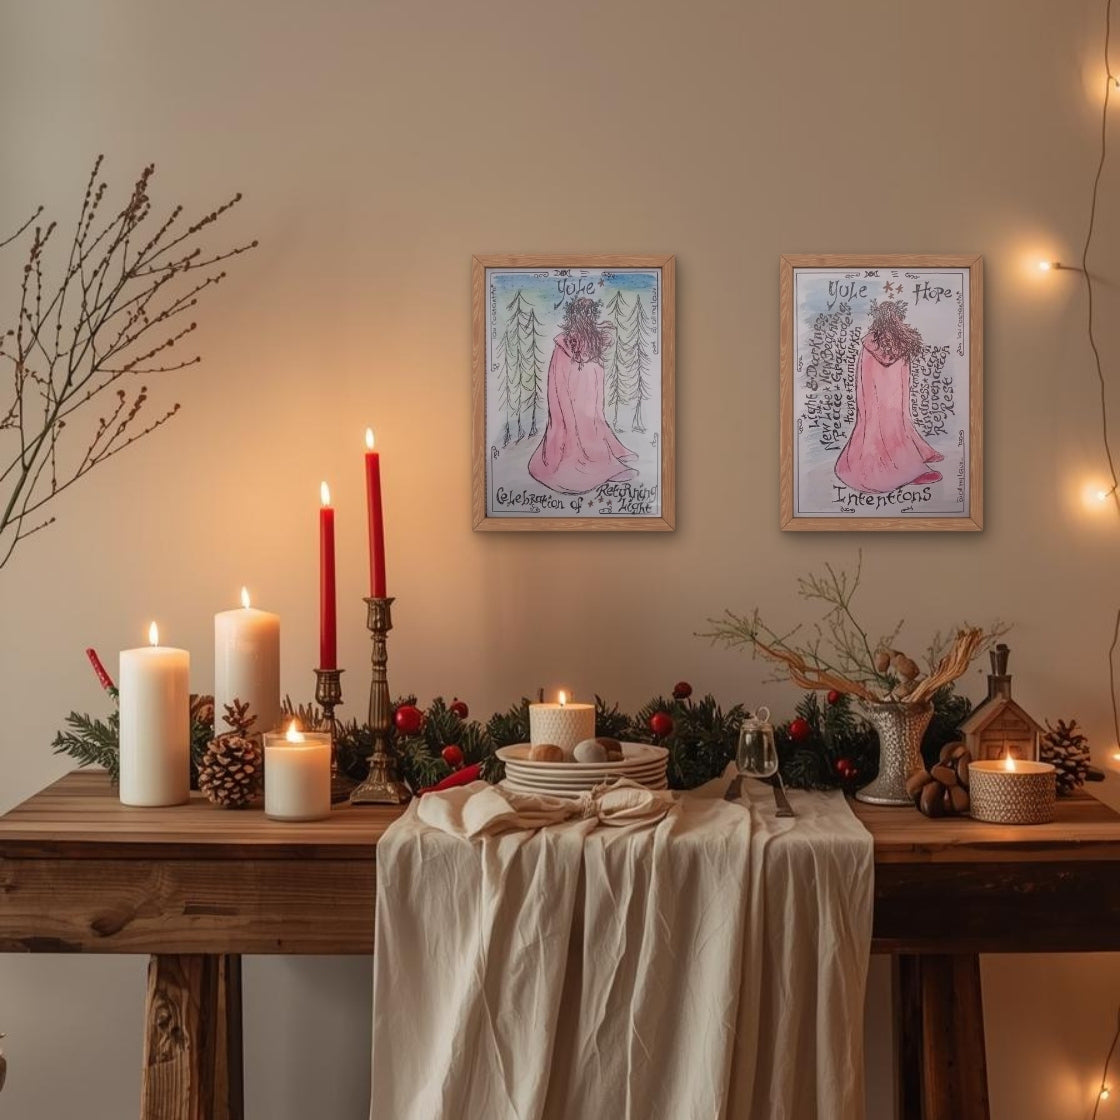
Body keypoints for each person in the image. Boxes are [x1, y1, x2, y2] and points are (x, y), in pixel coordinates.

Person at [528, 296, 638, 494]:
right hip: (571, 399)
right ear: (574, 316)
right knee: (574, 428)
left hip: (588, 400)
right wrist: (564, 407)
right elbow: (558, 380)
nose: (586, 317)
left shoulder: (594, 341)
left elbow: (596, 373)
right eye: (582, 313)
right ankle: (596, 466)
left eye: (589, 313)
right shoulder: (563, 345)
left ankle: (603, 457)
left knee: (592, 425)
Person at [834, 300, 943, 493]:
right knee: (886, 426)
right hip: (885, 399)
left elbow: (867, 375)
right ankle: (901, 467)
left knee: (888, 423)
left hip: (881, 398)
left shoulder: (873, 341)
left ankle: (912, 453)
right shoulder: (898, 341)